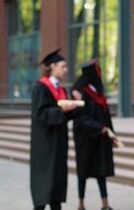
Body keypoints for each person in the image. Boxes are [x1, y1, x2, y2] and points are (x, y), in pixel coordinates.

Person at [30, 49, 81, 210]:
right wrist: (62, 110)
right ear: (52, 66)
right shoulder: (41, 88)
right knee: (44, 184)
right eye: (63, 66)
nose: (66, 70)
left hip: (59, 142)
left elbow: (64, 116)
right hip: (45, 144)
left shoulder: (61, 89)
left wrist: (75, 104)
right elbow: (40, 114)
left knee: (57, 183)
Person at [71, 59, 115, 210]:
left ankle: (105, 204)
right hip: (85, 138)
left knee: (101, 171)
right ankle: (81, 204)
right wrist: (99, 128)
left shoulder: (98, 91)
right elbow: (81, 116)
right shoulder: (79, 91)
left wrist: (111, 133)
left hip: (100, 138)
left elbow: (106, 115)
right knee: (83, 171)